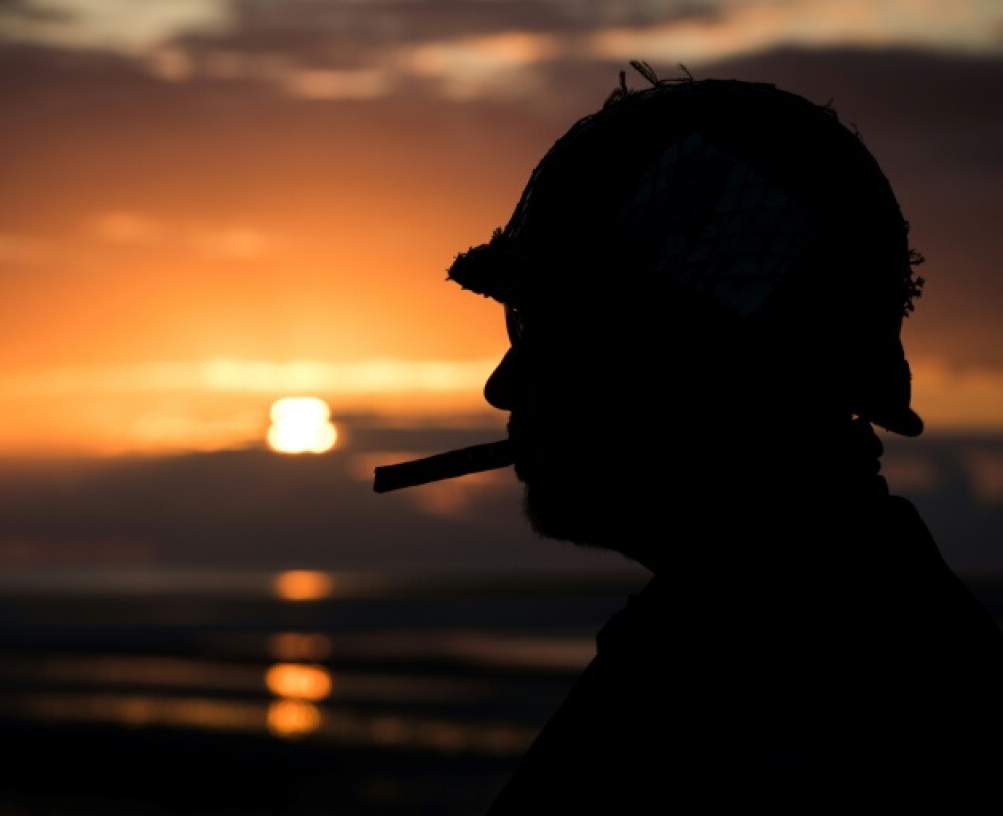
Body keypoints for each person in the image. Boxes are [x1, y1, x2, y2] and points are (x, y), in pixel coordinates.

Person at [377, 65, 1003, 810]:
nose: (503, 386)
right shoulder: (805, 637)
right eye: (519, 324)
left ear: (703, 361)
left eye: (554, 329)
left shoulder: (780, 706)